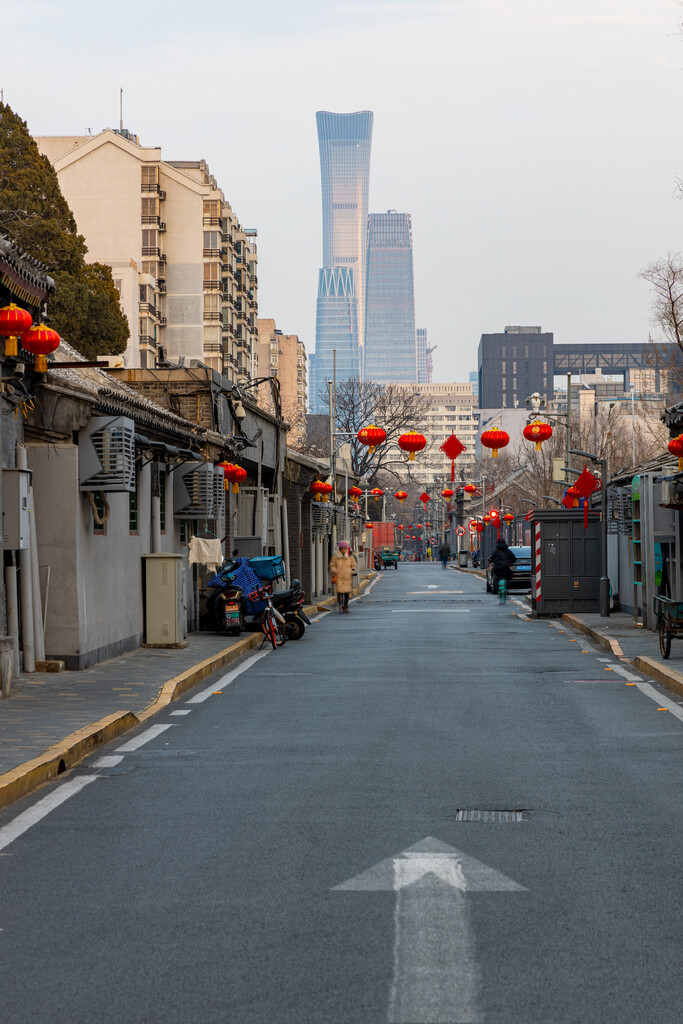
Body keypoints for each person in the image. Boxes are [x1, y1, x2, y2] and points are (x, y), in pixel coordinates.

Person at [329, 540, 357, 614]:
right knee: (340, 593)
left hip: (347, 578)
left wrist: (353, 571)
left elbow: (353, 566)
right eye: (343, 548)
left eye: (345, 548)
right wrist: (335, 571)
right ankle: (340, 605)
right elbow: (332, 565)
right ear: (340, 549)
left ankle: (346, 606)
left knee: (347, 593)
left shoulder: (350, 557)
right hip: (339, 577)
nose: (344, 550)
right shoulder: (336, 557)